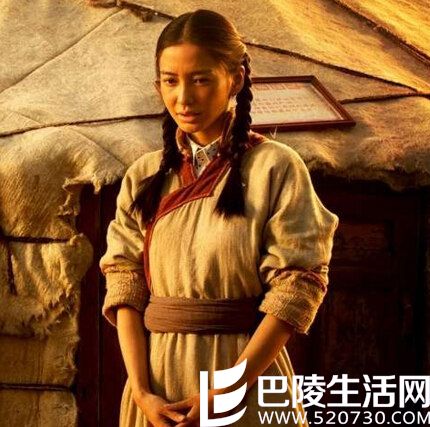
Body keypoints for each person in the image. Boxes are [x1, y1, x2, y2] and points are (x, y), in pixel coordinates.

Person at [99, 9, 339, 427]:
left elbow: (297, 285)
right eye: (170, 81)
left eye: (201, 79)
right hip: (155, 391)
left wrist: (228, 390)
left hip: (245, 386)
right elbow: (125, 283)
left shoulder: (275, 167)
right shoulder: (143, 176)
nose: (183, 98)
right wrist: (140, 392)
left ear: (236, 80)